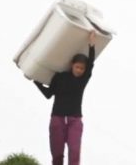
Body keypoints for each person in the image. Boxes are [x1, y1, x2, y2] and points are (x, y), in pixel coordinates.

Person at [34, 30, 97, 165]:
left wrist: (91, 44)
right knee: (57, 155)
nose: (79, 70)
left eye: (82, 68)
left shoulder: (83, 80)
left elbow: (91, 63)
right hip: (57, 119)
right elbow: (48, 94)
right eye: (77, 67)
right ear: (72, 65)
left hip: (75, 120)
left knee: (74, 152)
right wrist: (36, 81)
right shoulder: (60, 77)